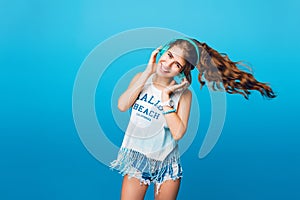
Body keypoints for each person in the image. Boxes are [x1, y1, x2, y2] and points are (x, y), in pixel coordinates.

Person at [110, 37, 276, 200]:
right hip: (138, 159)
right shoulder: (141, 79)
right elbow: (123, 105)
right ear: (161, 51)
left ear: (181, 71)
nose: (168, 64)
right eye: (169, 55)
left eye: (177, 64)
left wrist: (165, 97)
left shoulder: (184, 94)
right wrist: (148, 71)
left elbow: (177, 133)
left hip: (166, 164)